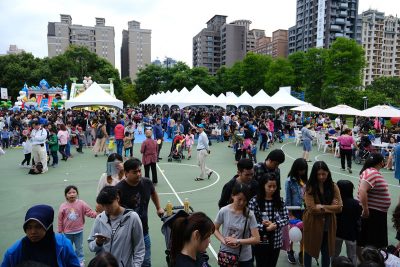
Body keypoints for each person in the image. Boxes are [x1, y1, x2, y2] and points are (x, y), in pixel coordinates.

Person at [115, 158, 164, 267]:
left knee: (146, 262)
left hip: (143, 232)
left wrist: (158, 208)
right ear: (126, 173)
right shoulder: (118, 189)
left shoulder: (146, 182)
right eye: (134, 172)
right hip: (125, 233)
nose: (138, 174)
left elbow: (153, 193)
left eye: (139, 171)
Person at [1, 204, 80, 267]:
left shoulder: (63, 245)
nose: (33, 232)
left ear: (48, 227)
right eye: (28, 227)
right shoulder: (14, 252)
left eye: (38, 227)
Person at [88, 186, 145, 267]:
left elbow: (139, 247)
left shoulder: (132, 218)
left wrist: (136, 265)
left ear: (117, 198)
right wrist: (98, 242)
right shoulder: (100, 218)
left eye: (109, 204)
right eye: (104, 205)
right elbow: (91, 246)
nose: (106, 208)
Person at [303, 161, 343, 267]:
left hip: (329, 225)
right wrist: (331, 206)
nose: (321, 177)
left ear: (328, 173)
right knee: (308, 250)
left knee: (327, 252)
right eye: (318, 174)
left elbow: (339, 207)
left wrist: (321, 206)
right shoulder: (310, 187)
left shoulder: (333, 186)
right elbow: (311, 209)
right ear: (314, 174)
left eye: (324, 174)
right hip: (312, 224)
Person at [214, 183, 260, 267]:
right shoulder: (224, 211)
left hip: (244, 258)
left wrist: (238, 241)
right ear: (232, 196)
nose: (242, 203)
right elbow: (215, 229)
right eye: (239, 199)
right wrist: (223, 240)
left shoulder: (249, 214)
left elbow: (256, 239)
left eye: (245, 200)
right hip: (226, 254)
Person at [249, 173, 289, 267]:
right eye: (269, 186)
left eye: (274, 186)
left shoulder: (280, 201)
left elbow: (286, 218)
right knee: (261, 264)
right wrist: (264, 227)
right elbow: (250, 222)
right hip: (260, 240)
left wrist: (275, 224)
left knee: (272, 264)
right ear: (263, 186)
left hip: (276, 240)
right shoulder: (254, 201)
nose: (272, 189)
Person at [357, 153, 391, 250]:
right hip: (373, 213)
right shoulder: (372, 173)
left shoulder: (370, 171)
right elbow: (362, 190)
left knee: (369, 240)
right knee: (372, 241)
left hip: (376, 212)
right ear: (381, 162)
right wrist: (366, 209)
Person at [58, 185, 97, 266]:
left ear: (77, 194)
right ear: (66, 195)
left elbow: (88, 211)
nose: (72, 194)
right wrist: (60, 229)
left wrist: (97, 215)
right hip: (67, 232)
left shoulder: (81, 203)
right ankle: (69, 260)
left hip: (78, 230)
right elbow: (60, 219)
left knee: (79, 247)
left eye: (74, 192)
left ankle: (80, 260)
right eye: (69, 193)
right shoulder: (63, 206)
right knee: (68, 246)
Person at [285, 158, 308, 264]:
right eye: (300, 170)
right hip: (294, 211)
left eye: (304, 170)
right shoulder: (289, 181)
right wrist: (290, 213)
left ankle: (302, 252)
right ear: (295, 169)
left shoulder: (307, 180)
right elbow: (288, 198)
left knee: (303, 232)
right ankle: (290, 251)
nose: (302, 172)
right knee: (292, 232)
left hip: (305, 211)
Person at [334, 180, 362, 266]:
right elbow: (359, 217)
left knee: (334, 254)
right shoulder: (356, 203)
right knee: (352, 255)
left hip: (337, 232)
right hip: (351, 234)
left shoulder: (336, 203)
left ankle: (334, 265)